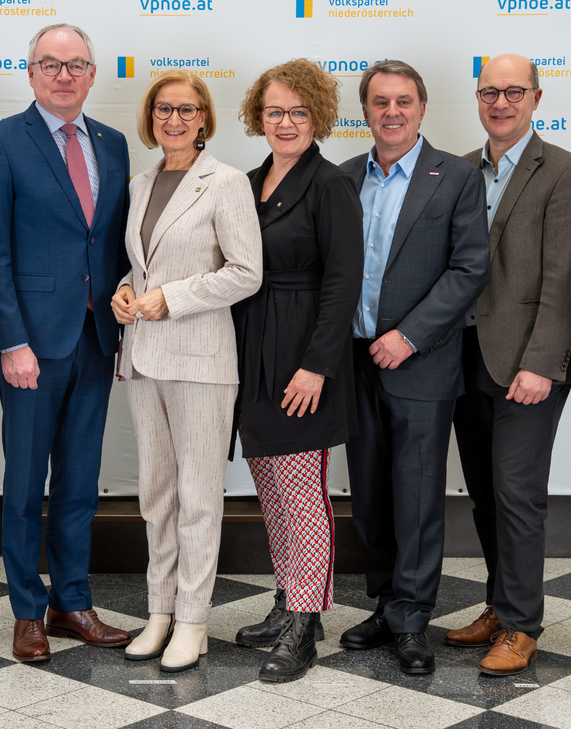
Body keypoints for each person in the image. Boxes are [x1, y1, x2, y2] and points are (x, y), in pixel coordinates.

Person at [0, 23, 132, 662]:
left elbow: (112, 243)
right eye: (50, 64)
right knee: (23, 484)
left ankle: (72, 602)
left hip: (96, 338)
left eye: (76, 65)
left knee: (80, 482)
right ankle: (26, 612)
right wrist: (10, 340)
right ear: (31, 72)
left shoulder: (113, 143)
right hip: (31, 346)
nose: (64, 75)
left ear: (93, 73)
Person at [337, 60, 489, 676]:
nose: (392, 112)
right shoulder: (345, 176)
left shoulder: (456, 176)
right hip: (353, 359)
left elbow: (470, 268)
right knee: (370, 492)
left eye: (403, 101)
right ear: (365, 111)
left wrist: (410, 336)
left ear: (422, 109)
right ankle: (384, 603)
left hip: (421, 360)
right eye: (380, 102)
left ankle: (412, 619)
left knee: (418, 494)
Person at [444, 54, 571, 676]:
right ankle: (498, 606)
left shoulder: (564, 171)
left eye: (513, 92)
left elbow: (563, 278)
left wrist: (541, 364)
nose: (500, 103)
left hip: (529, 363)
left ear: (536, 97)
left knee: (517, 494)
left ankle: (523, 624)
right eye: (489, 92)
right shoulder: (458, 170)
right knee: (484, 495)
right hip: (464, 357)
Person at [113, 71, 262, 672]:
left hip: (200, 361)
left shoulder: (226, 182)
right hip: (143, 356)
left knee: (199, 497)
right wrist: (126, 291)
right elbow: (143, 265)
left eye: (186, 110)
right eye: (163, 109)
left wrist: (170, 299)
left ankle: (193, 620)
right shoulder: (141, 182)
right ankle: (160, 612)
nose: (173, 120)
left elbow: (246, 272)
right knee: (157, 494)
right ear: (150, 117)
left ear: (204, 118)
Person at [230, 59, 364, 683]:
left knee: (302, 493)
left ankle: (305, 625)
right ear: (259, 117)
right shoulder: (248, 181)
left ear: (319, 117)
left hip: (302, 354)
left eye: (298, 112)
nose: (286, 123)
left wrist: (316, 367)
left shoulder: (330, 184)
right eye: (275, 111)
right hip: (252, 347)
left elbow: (343, 283)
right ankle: (287, 599)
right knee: (272, 488)